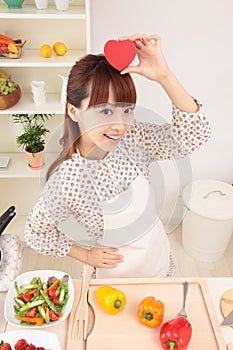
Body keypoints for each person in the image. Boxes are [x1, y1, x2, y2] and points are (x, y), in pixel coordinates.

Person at [24, 33, 211, 278]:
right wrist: (85, 255)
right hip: (112, 277)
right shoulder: (67, 181)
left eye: (127, 110)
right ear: (74, 111)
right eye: (105, 111)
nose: (120, 125)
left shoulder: (134, 139)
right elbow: (36, 232)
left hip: (157, 261)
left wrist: (164, 76)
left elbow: (193, 135)